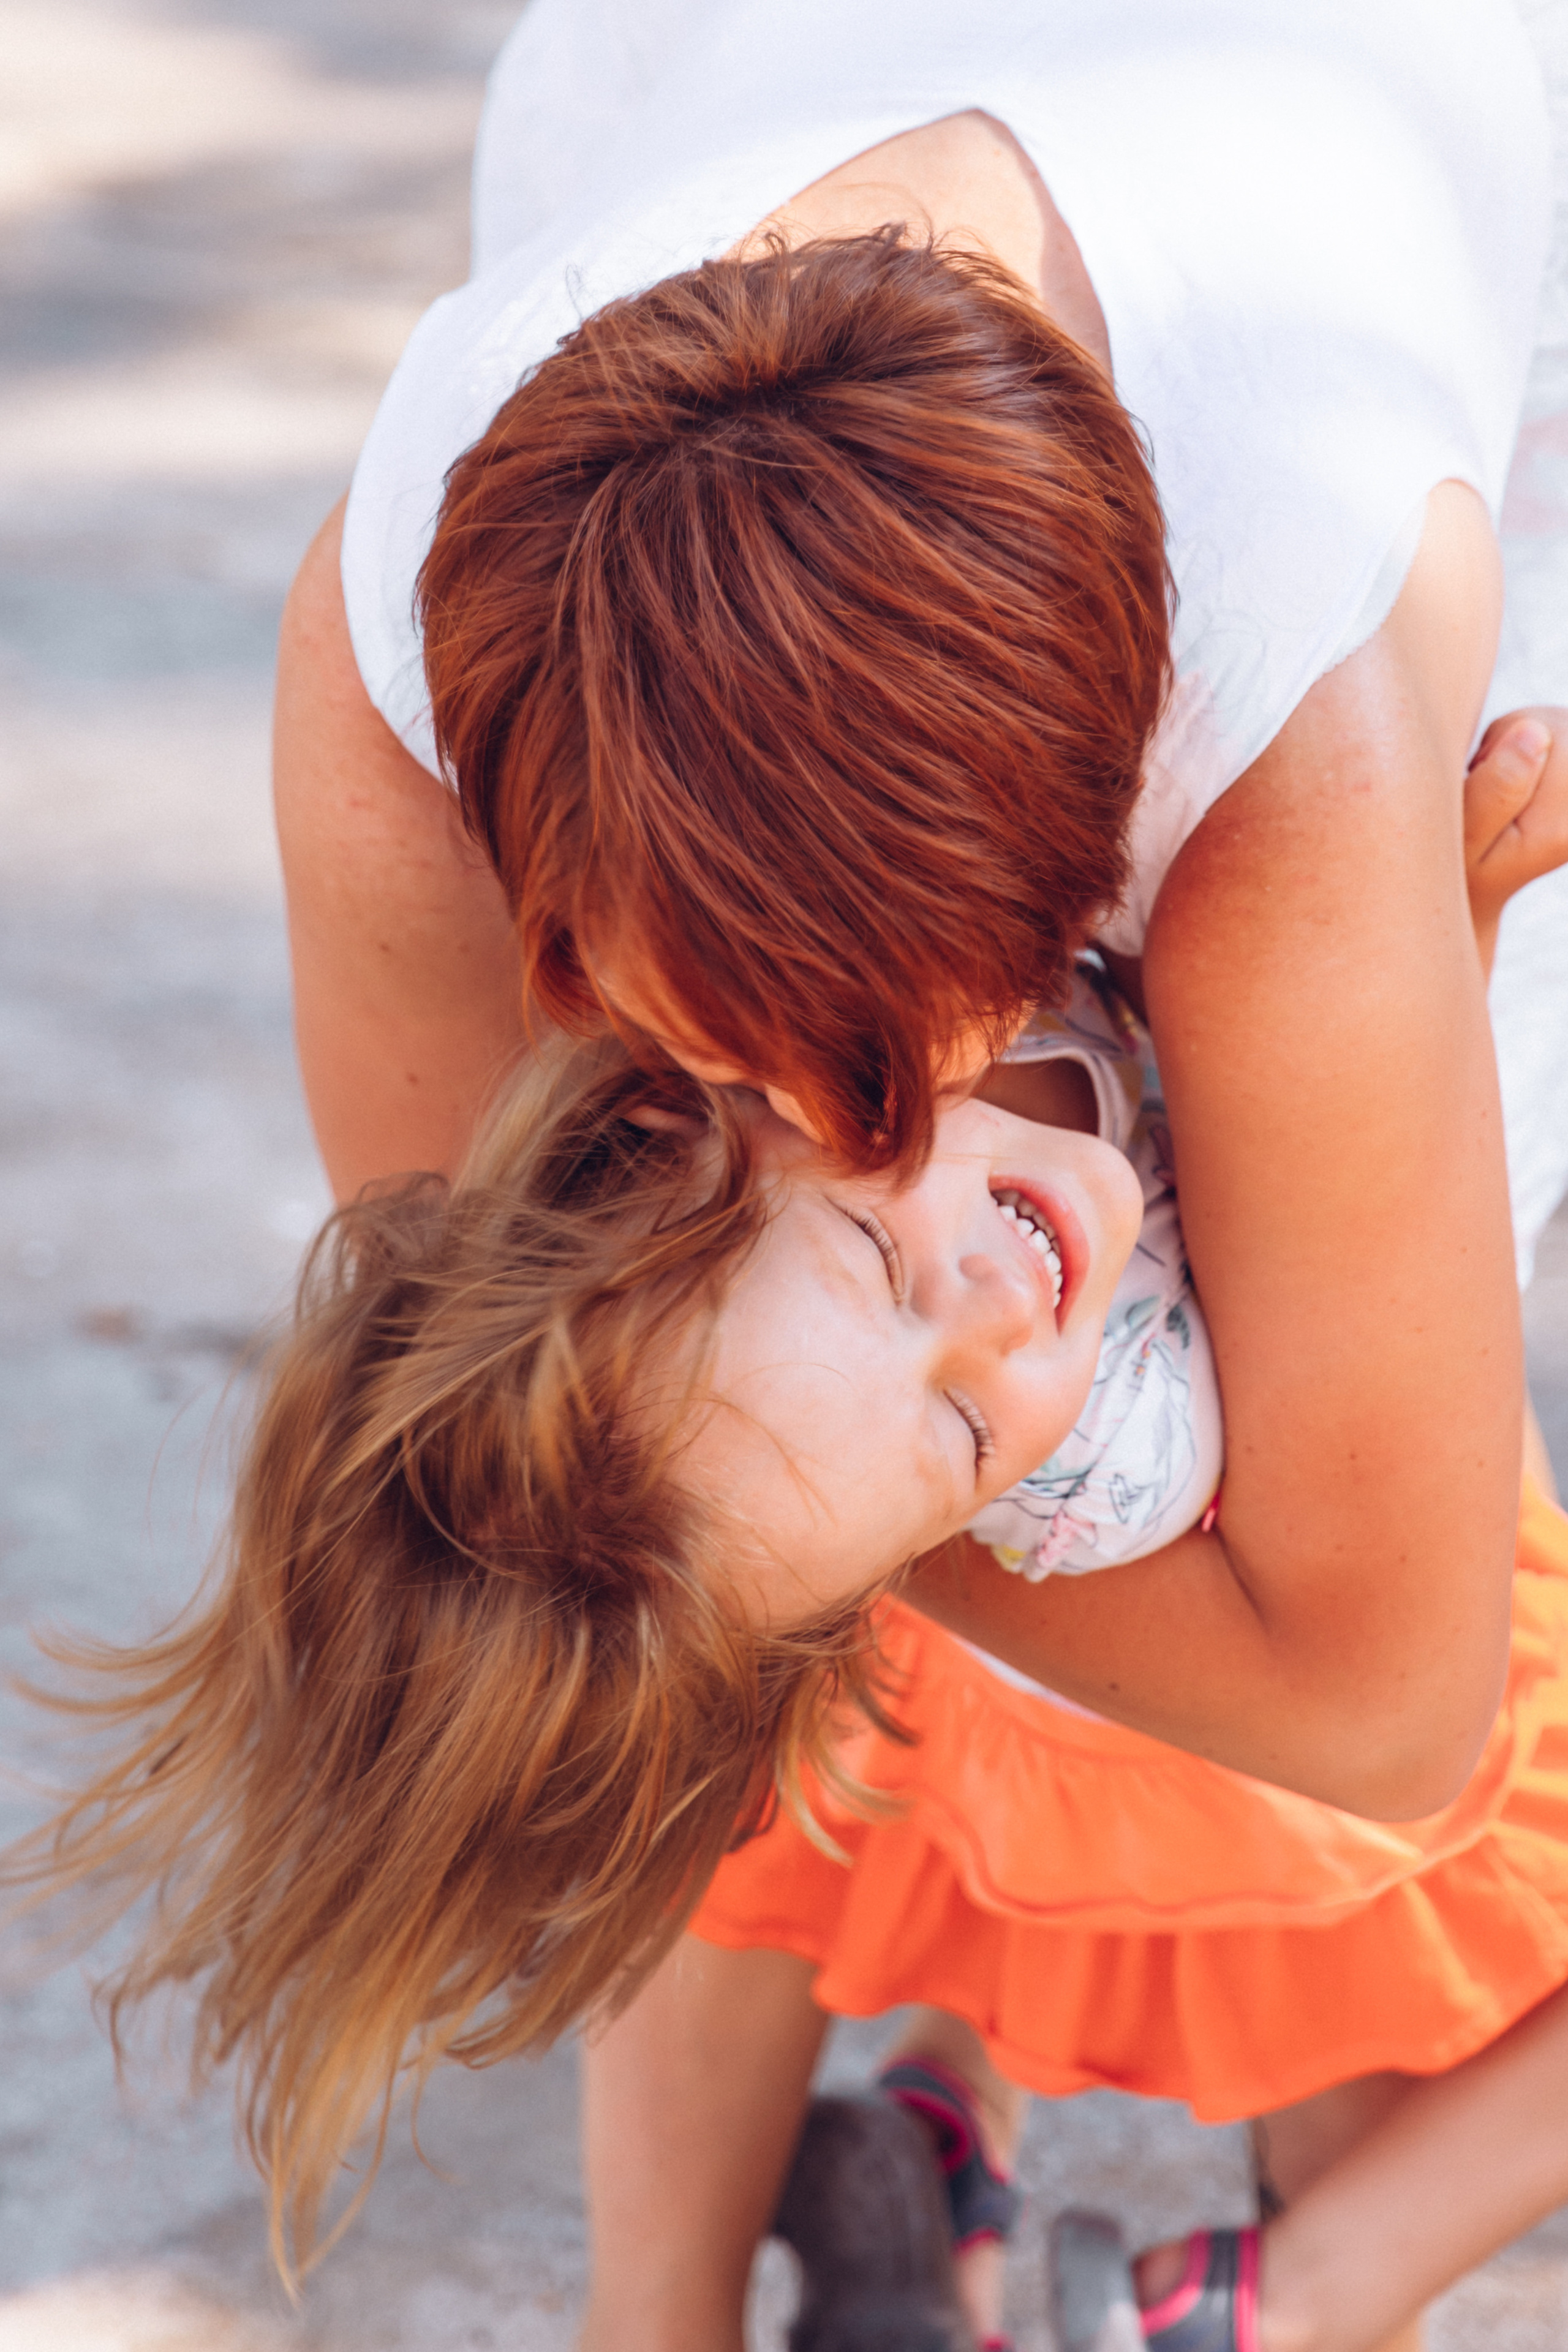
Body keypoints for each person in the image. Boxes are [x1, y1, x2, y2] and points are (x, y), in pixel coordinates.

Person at [276, 0, 1562, 1838]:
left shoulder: (1291, 751)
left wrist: (746, 1559)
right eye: (714, 1048)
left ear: (1093, 884)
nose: (778, 1116)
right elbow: (465, 1298)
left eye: (869, 1063)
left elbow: (1390, 1711)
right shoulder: (414, 596)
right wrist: (758, 1480)